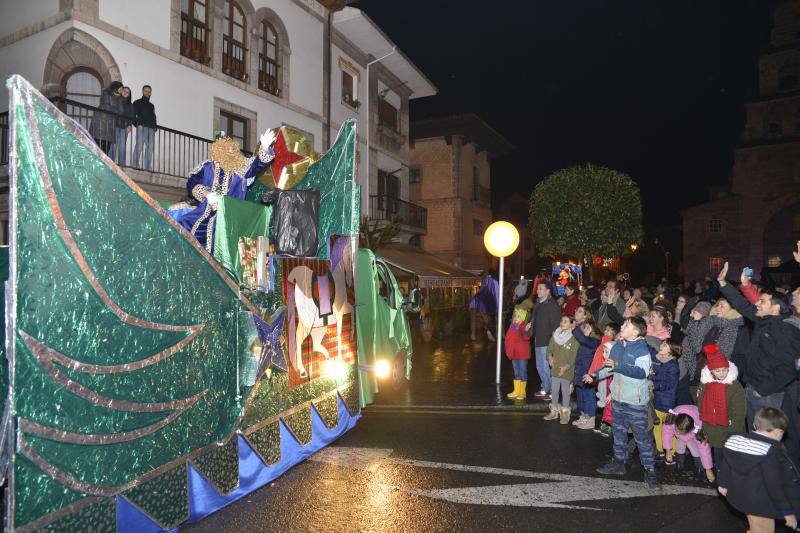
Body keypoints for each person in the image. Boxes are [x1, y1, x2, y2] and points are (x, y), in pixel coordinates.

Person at [717, 262, 800, 433]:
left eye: (762, 301)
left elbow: (789, 368)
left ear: (775, 307)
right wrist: (723, 284)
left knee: (768, 439)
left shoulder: (786, 329)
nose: (758, 304)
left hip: (769, 394)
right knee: (755, 434)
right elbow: (742, 305)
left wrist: (762, 390)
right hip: (753, 387)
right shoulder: (763, 321)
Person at [168, 129, 277, 252]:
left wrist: (265, 148)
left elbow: (257, 165)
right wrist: (207, 194)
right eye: (227, 148)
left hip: (230, 218)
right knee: (182, 225)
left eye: (233, 148)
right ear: (218, 150)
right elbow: (192, 182)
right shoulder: (207, 166)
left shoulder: (242, 168)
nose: (231, 150)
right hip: (204, 213)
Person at [589, 317, 660, 488]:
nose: (622, 326)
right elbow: (609, 367)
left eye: (626, 325)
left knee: (642, 439)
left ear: (635, 332)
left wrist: (618, 365)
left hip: (635, 402)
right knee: (618, 434)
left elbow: (641, 372)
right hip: (618, 399)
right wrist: (594, 375)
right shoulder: (618, 346)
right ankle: (619, 463)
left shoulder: (642, 350)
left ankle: (650, 471)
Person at [717, 407, 800, 533]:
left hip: (741, 497)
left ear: (755, 426)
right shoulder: (769, 452)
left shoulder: (736, 441)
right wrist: (787, 511)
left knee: (756, 528)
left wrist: (723, 483)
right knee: (764, 530)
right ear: (778, 432)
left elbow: (726, 462)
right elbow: (774, 485)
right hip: (760, 503)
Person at [697, 343, 745, 448]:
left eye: (724, 370)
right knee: (717, 454)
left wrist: (732, 430)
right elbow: (700, 402)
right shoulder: (705, 383)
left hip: (729, 428)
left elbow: (740, 410)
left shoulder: (734, 386)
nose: (722, 373)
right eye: (717, 371)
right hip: (711, 427)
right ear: (711, 371)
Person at [662, 405, 715, 484]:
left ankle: (700, 468)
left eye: (681, 432)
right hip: (683, 428)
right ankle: (679, 466)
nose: (678, 433)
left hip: (692, 434)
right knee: (680, 445)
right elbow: (666, 433)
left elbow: (704, 449)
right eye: (677, 430)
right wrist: (668, 451)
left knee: (695, 449)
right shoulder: (672, 418)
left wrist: (708, 469)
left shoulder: (698, 429)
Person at [543, 315, 578, 424]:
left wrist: (566, 367)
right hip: (555, 368)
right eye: (562, 321)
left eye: (566, 321)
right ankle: (554, 412)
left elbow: (574, 356)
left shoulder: (574, 338)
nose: (562, 323)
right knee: (554, 390)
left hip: (567, 369)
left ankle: (565, 413)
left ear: (572, 324)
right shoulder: (556, 334)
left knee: (565, 391)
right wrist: (549, 357)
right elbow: (549, 349)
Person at [589, 323, 621, 437]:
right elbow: (602, 370)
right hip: (607, 385)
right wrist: (593, 375)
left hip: (615, 389)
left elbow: (617, 380)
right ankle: (605, 424)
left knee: (611, 407)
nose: (604, 354)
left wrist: (611, 393)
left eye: (606, 352)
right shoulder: (607, 355)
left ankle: (610, 427)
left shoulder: (615, 364)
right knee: (607, 406)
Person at [532, 281, 562, 399]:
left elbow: (556, 326)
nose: (537, 291)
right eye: (538, 289)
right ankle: (545, 387)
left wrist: (553, 343)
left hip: (547, 340)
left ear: (548, 291)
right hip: (538, 338)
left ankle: (553, 391)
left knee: (547, 366)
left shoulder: (552, 305)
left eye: (540, 289)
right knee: (540, 366)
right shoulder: (539, 303)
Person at [678, 300, 712, 405]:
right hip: (687, 361)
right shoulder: (697, 323)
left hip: (693, 364)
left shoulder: (704, 326)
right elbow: (684, 326)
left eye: (695, 312)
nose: (692, 315)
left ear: (702, 314)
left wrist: (692, 324)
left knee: (689, 394)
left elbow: (697, 347)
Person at [651, 339, 680, 458]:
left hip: (668, 403)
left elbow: (669, 383)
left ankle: (672, 452)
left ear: (671, 351)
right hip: (657, 400)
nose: (661, 346)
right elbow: (650, 350)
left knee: (669, 429)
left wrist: (654, 385)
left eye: (665, 345)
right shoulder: (658, 359)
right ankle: (659, 449)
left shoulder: (673, 365)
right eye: (662, 344)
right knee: (657, 427)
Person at [572, 321, 601, 429]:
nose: (585, 329)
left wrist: (574, 328)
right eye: (584, 327)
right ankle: (583, 416)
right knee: (581, 397)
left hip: (588, 373)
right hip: (580, 373)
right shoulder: (583, 342)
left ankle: (591, 419)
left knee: (589, 396)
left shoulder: (594, 341)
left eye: (588, 327)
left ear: (593, 330)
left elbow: (583, 339)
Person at [505, 308, 533, 400]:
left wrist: (525, 330)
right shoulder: (512, 327)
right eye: (515, 316)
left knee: (522, 372)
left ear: (522, 319)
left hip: (522, 354)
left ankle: (522, 392)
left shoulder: (522, 326)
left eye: (518, 316)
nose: (516, 318)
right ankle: (516, 391)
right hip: (514, 354)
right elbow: (508, 339)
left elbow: (526, 336)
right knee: (517, 373)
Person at [469, 270, 499, 341]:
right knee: (485, 318)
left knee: (474, 317)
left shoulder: (486, 280)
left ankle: (473, 334)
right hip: (481, 300)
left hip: (476, 300)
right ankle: (487, 331)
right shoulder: (491, 281)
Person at [94, 80, 122, 154]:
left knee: (107, 148)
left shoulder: (119, 98)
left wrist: (119, 98)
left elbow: (121, 111)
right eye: (121, 88)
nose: (121, 91)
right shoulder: (106, 93)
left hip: (110, 125)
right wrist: (116, 109)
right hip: (101, 123)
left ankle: (103, 164)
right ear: (116, 88)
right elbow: (106, 107)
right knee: (99, 147)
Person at [133, 84, 157, 170]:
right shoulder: (137, 102)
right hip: (141, 127)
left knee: (150, 148)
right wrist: (137, 125)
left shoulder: (151, 105)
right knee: (139, 146)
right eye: (145, 91)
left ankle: (147, 167)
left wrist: (155, 127)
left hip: (151, 129)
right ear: (142, 91)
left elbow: (154, 117)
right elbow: (133, 115)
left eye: (149, 91)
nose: (147, 93)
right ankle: (135, 165)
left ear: (150, 93)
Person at [113, 86, 134, 166]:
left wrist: (129, 125)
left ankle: (122, 166)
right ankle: (111, 164)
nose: (125, 92)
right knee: (113, 146)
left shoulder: (130, 105)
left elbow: (131, 116)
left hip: (124, 128)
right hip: (115, 126)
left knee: (122, 147)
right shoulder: (116, 101)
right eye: (124, 91)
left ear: (129, 95)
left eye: (127, 92)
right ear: (121, 91)